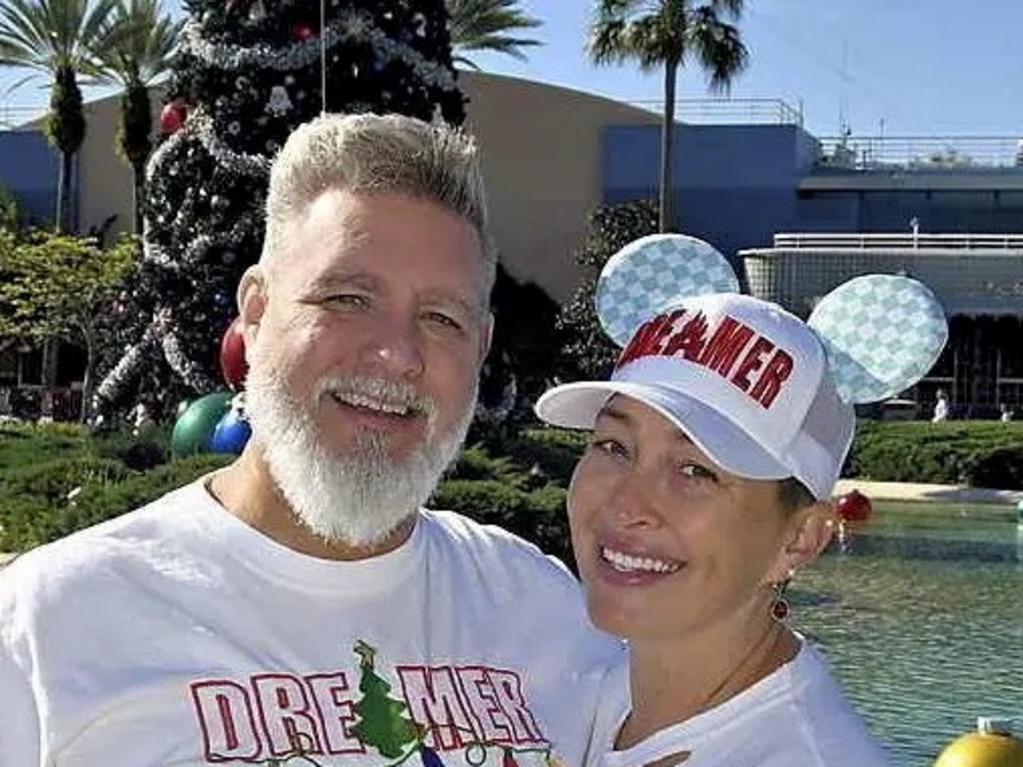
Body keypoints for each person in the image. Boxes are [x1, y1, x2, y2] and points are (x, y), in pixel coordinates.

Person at [0, 113, 620, 767]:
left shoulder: (545, 611)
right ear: (257, 311)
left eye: (441, 317)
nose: (397, 354)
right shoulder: (50, 626)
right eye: (348, 298)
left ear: (482, 348)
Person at [535, 291, 899, 767]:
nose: (626, 505)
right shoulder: (598, 689)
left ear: (800, 538)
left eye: (695, 471)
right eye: (614, 446)